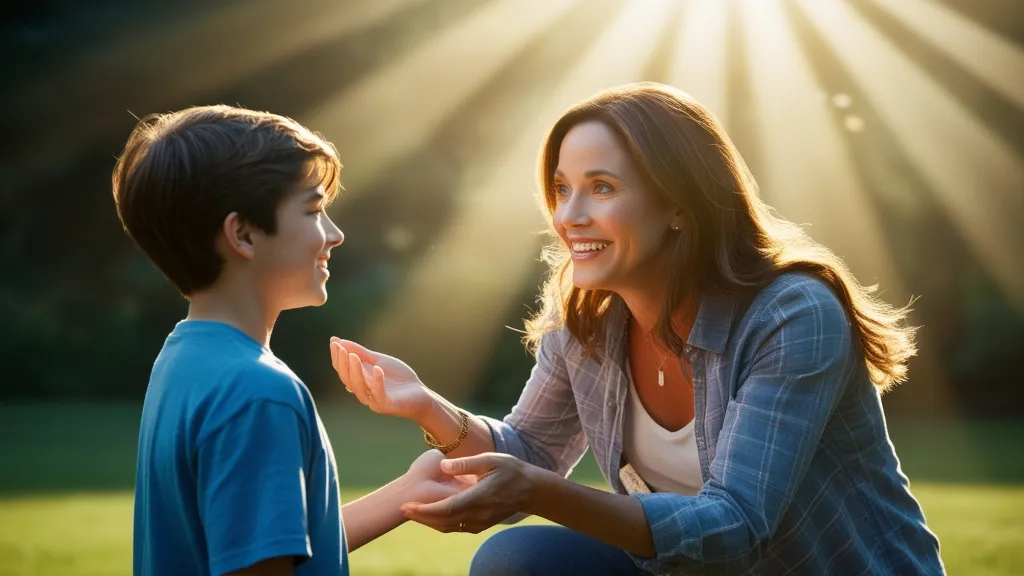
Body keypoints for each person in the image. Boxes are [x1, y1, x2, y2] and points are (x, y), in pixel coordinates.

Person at [330, 82, 946, 575]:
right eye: (561, 188)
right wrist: (433, 412)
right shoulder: (587, 315)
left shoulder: (791, 313)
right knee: (516, 561)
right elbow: (532, 452)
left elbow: (735, 526)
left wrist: (538, 493)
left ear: (681, 203)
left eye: (602, 188)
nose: (569, 217)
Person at [112, 105, 466, 576]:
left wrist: (405, 494)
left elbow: (264, 544)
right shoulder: (259, 394)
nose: (335, 234)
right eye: (314, 210)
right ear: (243, 234)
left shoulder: (185, 360)